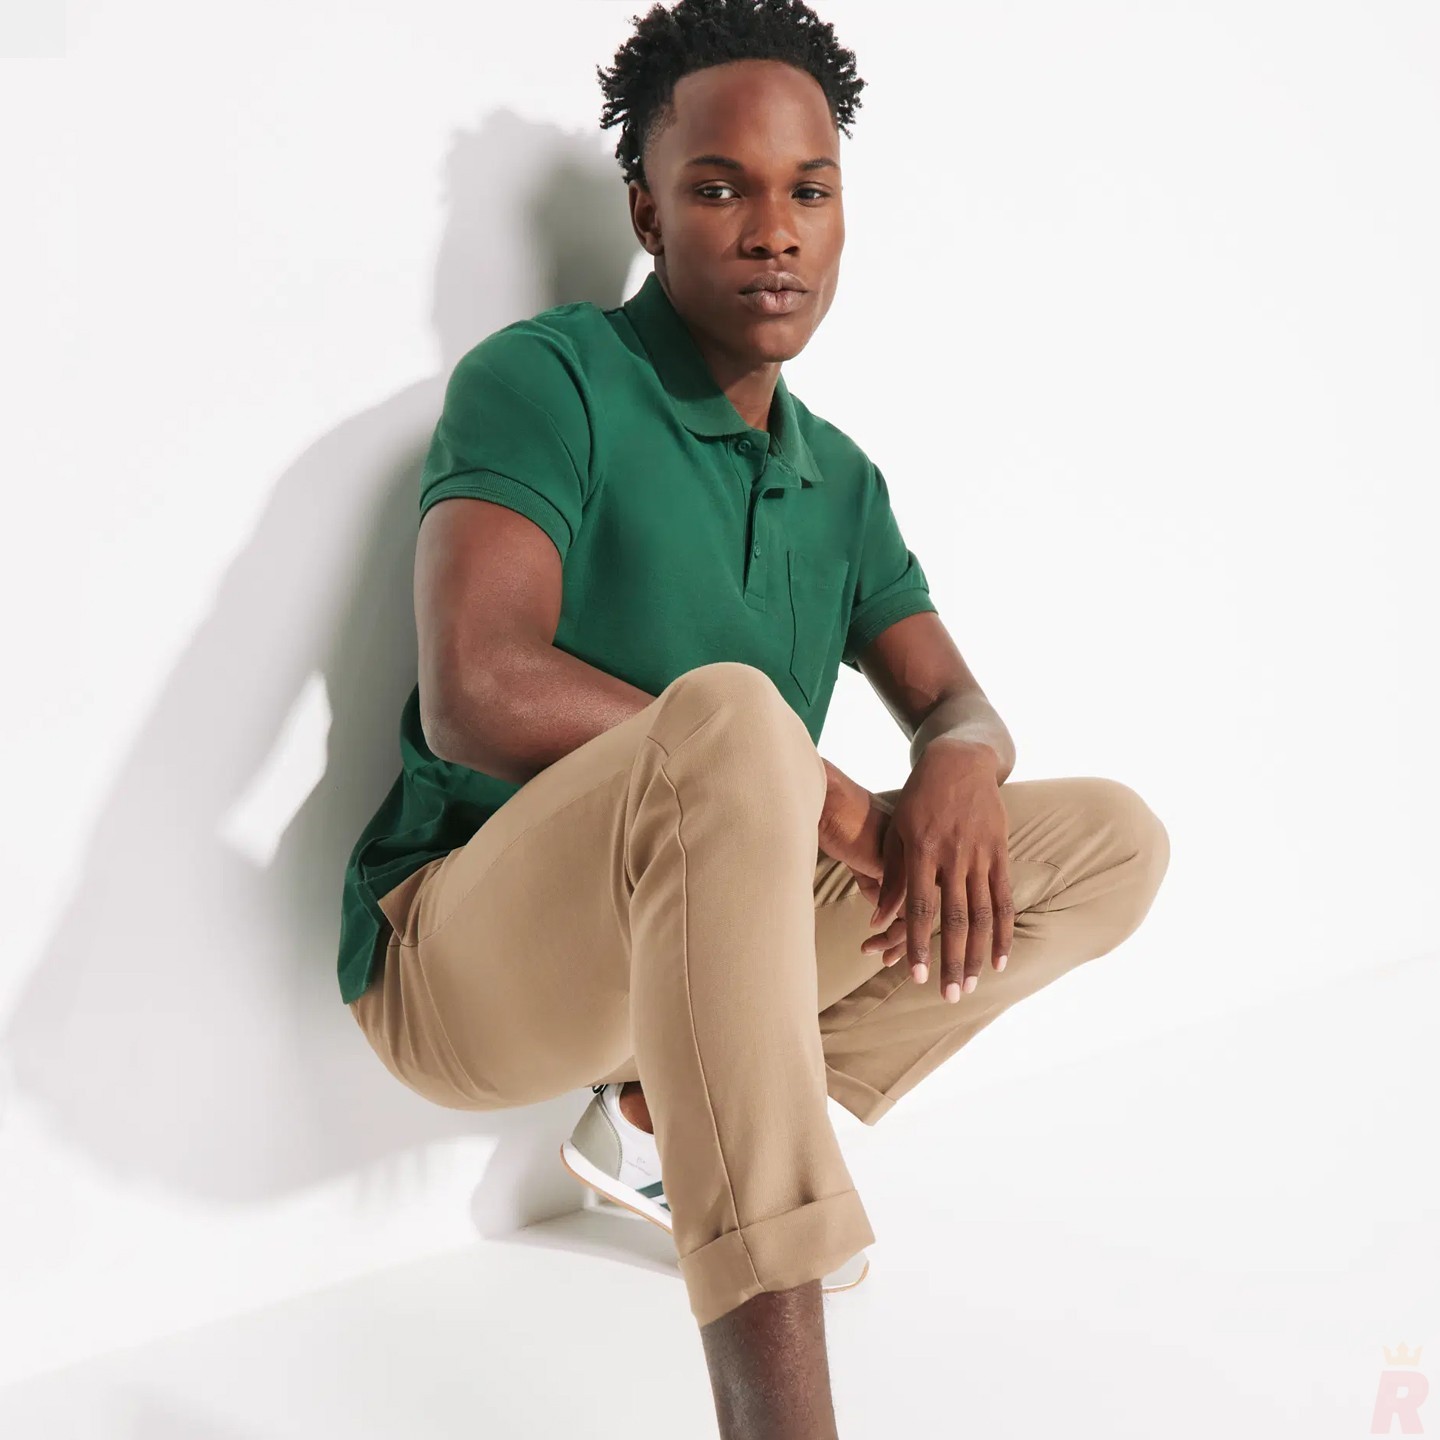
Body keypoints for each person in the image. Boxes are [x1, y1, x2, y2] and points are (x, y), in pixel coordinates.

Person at [338, 1, 1171, 1434]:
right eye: (720, 189)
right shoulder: (548, 381)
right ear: (647, 214)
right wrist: (830, 798)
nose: (773, 232)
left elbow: (954, 697)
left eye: (809, 191)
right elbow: (478, 688)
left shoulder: (838, 479)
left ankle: (667, 1115)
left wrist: (960, 761)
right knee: (733, 722)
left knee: (1107, 844)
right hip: (462, 961)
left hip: (686, 942)